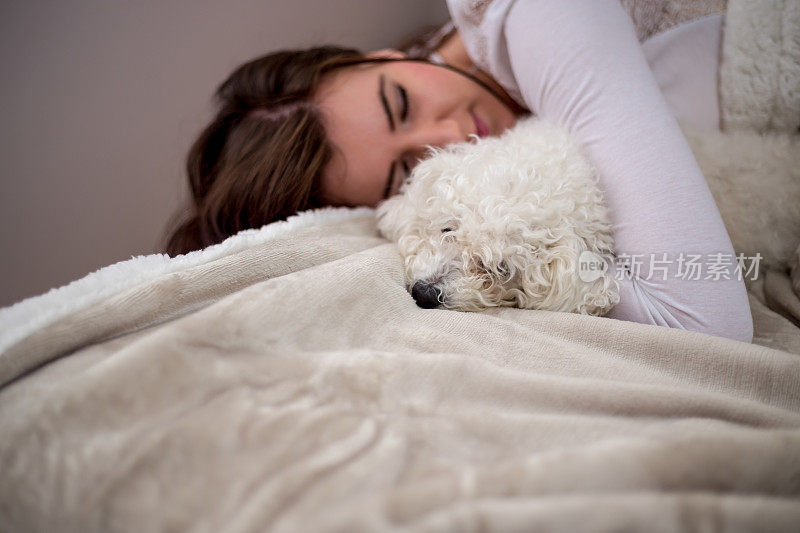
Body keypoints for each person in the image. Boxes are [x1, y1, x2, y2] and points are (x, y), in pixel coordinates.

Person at [165, 0, 753, 343]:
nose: (451, 136)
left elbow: (706, 322)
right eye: (407, 171)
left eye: (402, 101)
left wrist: (542, 271)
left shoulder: (537, 20)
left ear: (386, 56)